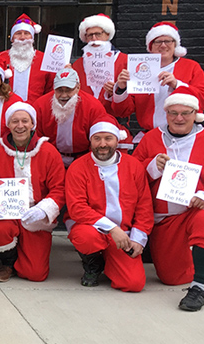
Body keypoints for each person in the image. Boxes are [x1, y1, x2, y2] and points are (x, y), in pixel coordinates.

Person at [133, 88, 204, 311]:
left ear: (195, 114)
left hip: (200, 207)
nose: (179, 118)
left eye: (185, 112)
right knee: (170, 276)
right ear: (166, 114)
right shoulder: (151, 138)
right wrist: (152, 166)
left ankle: (199, 288)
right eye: (173, 113)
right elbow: (132, 174)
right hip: (167, 214)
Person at [65, 121, 154, 292]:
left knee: (133, 284)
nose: (103, 144)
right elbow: (77, 208)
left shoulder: (133, 166)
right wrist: (112, 228)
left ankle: (110, 259)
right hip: (91, 228)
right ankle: (93, 264)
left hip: (124, 233)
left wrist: (138, 238)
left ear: (117, 141)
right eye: (97, 139)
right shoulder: (78, 167)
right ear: (90, 142)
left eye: (108, 138)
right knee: (85, 237)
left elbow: (144, 206)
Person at [0, 102, 65, 283]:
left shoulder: (48, 152)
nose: (20, 126)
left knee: (35, 274)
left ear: (32, 124)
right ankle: (8, 263)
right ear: (8, 124)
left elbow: (59, 188)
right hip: (8, 211)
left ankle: (25, 257)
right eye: (14, 121)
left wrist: (44, 209)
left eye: (24, 121)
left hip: (35, 213)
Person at [112, 21, 204, 143]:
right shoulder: (137, 68)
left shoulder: (191, 67)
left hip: (184, 137)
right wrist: (122, 89)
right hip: (150, 136)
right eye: (158, 41)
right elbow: (123, 112)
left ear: (175, 45)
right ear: (150, 46)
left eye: (168, 41)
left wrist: (177, 85)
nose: (163, 45)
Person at [32, 67, 109, 167]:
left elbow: (98, 137)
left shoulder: (93, 106)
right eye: (59, 90)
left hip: (84, 158)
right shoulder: (41, 105)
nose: (64, 95)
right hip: (50, 158)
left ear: (78, 87)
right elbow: (36, 137)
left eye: (68, 90)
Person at [0, 14, 55, 103]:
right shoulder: (0, 58)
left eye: (27, 33)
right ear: (12, 38)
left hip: (35, 111)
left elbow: (52, 90)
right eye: (18, 33)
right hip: (6, 110)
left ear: (32, 38)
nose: (23, 37)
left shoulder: (45, 59)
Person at [70, 14, 127, 115]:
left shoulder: (124, 61)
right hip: (83, 119)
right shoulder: (77, 65)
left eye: (98, 34)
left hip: (112, 121)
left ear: (107, 35)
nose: (94, 39)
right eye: (90, 35)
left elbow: (130, 107)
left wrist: (118, 92)